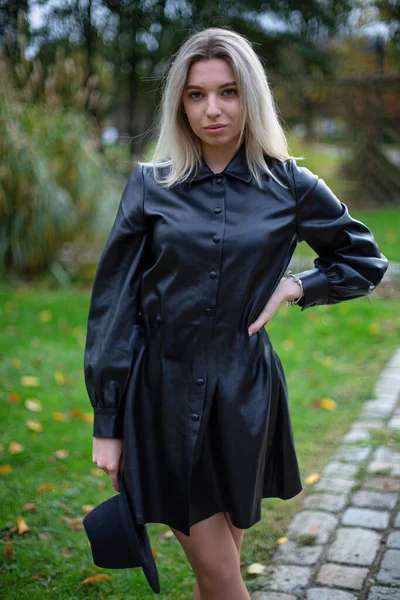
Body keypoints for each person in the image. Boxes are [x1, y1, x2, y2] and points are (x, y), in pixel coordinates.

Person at [84, 26, 389, 600]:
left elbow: (364, 259)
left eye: (228, 92)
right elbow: (113, 306)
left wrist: (296, 286)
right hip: (162, 395)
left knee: (214, 571)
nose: (213, 109)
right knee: (224, 579)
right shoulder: (150, 186)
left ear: (251, 96)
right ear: (180, 102)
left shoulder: (291, 185)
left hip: (246, 396)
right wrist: (108, 421)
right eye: (196, 95)